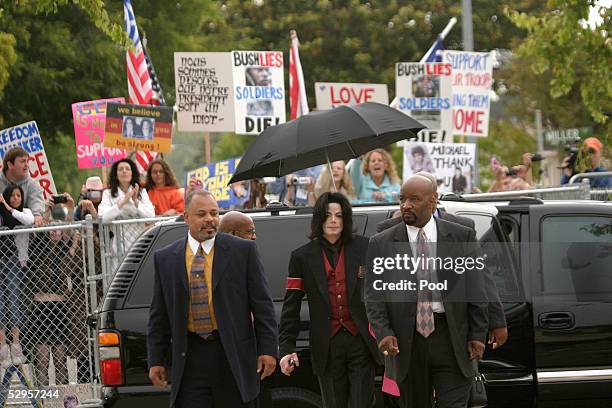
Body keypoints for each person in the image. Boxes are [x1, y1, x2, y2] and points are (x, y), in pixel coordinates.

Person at [364, 175, 489, 408]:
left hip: (451, 338)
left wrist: (477, 334)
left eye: (414, 199)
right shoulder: (381, 242)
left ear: (433, 200)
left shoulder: (462, 236)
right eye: (402, 199)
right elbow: (374, 296)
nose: (405, 205)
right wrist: (383, 332)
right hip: (406, 341)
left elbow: (477, 288)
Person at [147, 190, 278, 408]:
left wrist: (268, 350)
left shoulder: (242, 251)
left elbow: (262, 305)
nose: (210, 219)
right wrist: (156, 360)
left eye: (214, 213)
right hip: (190, 359)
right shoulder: (166, 258)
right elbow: (158, 315)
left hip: (233, 356)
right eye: (202, 214)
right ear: (186, 217)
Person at [279, 192, 381, 408]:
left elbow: (382, 293)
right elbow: (291, 305)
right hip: (326, 344)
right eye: (327, 215)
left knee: (362, 403)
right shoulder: (301, 257)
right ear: (318, 219)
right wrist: (287, 346)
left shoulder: (366, 247)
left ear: (346, 219)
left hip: (360, 341)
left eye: (339, 215)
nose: (333, 220)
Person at [0, 185, 34, 368]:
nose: (15, 198)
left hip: (13, 261)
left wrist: (6, 205)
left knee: (14, 299)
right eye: (11, 196)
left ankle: (16, 344)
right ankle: (2, 348)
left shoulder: (23, 211)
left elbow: (18, 222)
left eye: (18, 195)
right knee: (1, 301)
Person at [0, 147, 44, 226]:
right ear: (10, 164)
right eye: (23, 161)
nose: (27, 165)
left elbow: (36, 203)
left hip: (22, 233)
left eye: (27, 161)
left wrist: (37, 215)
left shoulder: (32, 185)